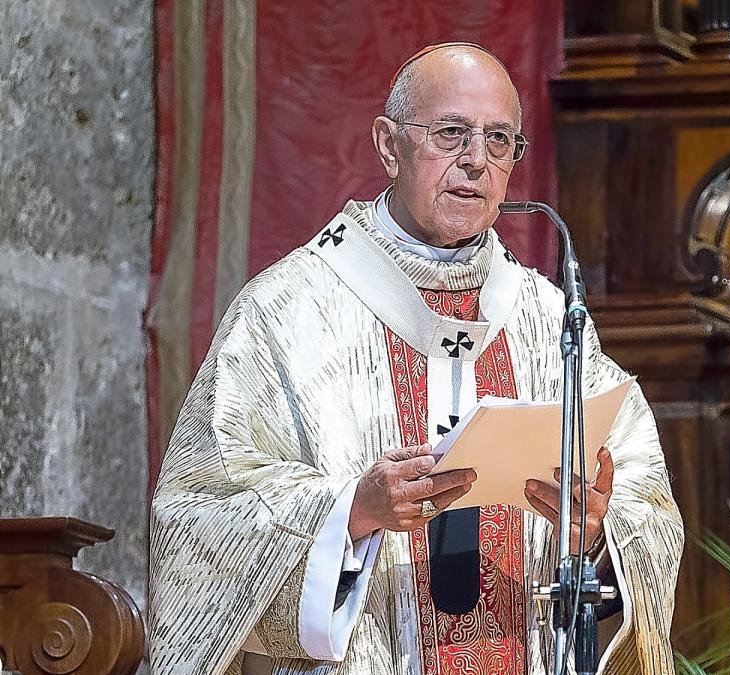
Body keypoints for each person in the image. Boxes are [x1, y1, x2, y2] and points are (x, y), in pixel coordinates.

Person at [148, 42, 683, 675]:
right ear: (388, 145)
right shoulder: (288, 310)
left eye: (499, 140)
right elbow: (198, 515)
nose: (476, 160)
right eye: (451, 133)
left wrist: (595, 534)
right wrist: (353, 510)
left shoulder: (547, 318)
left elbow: (643, 500)